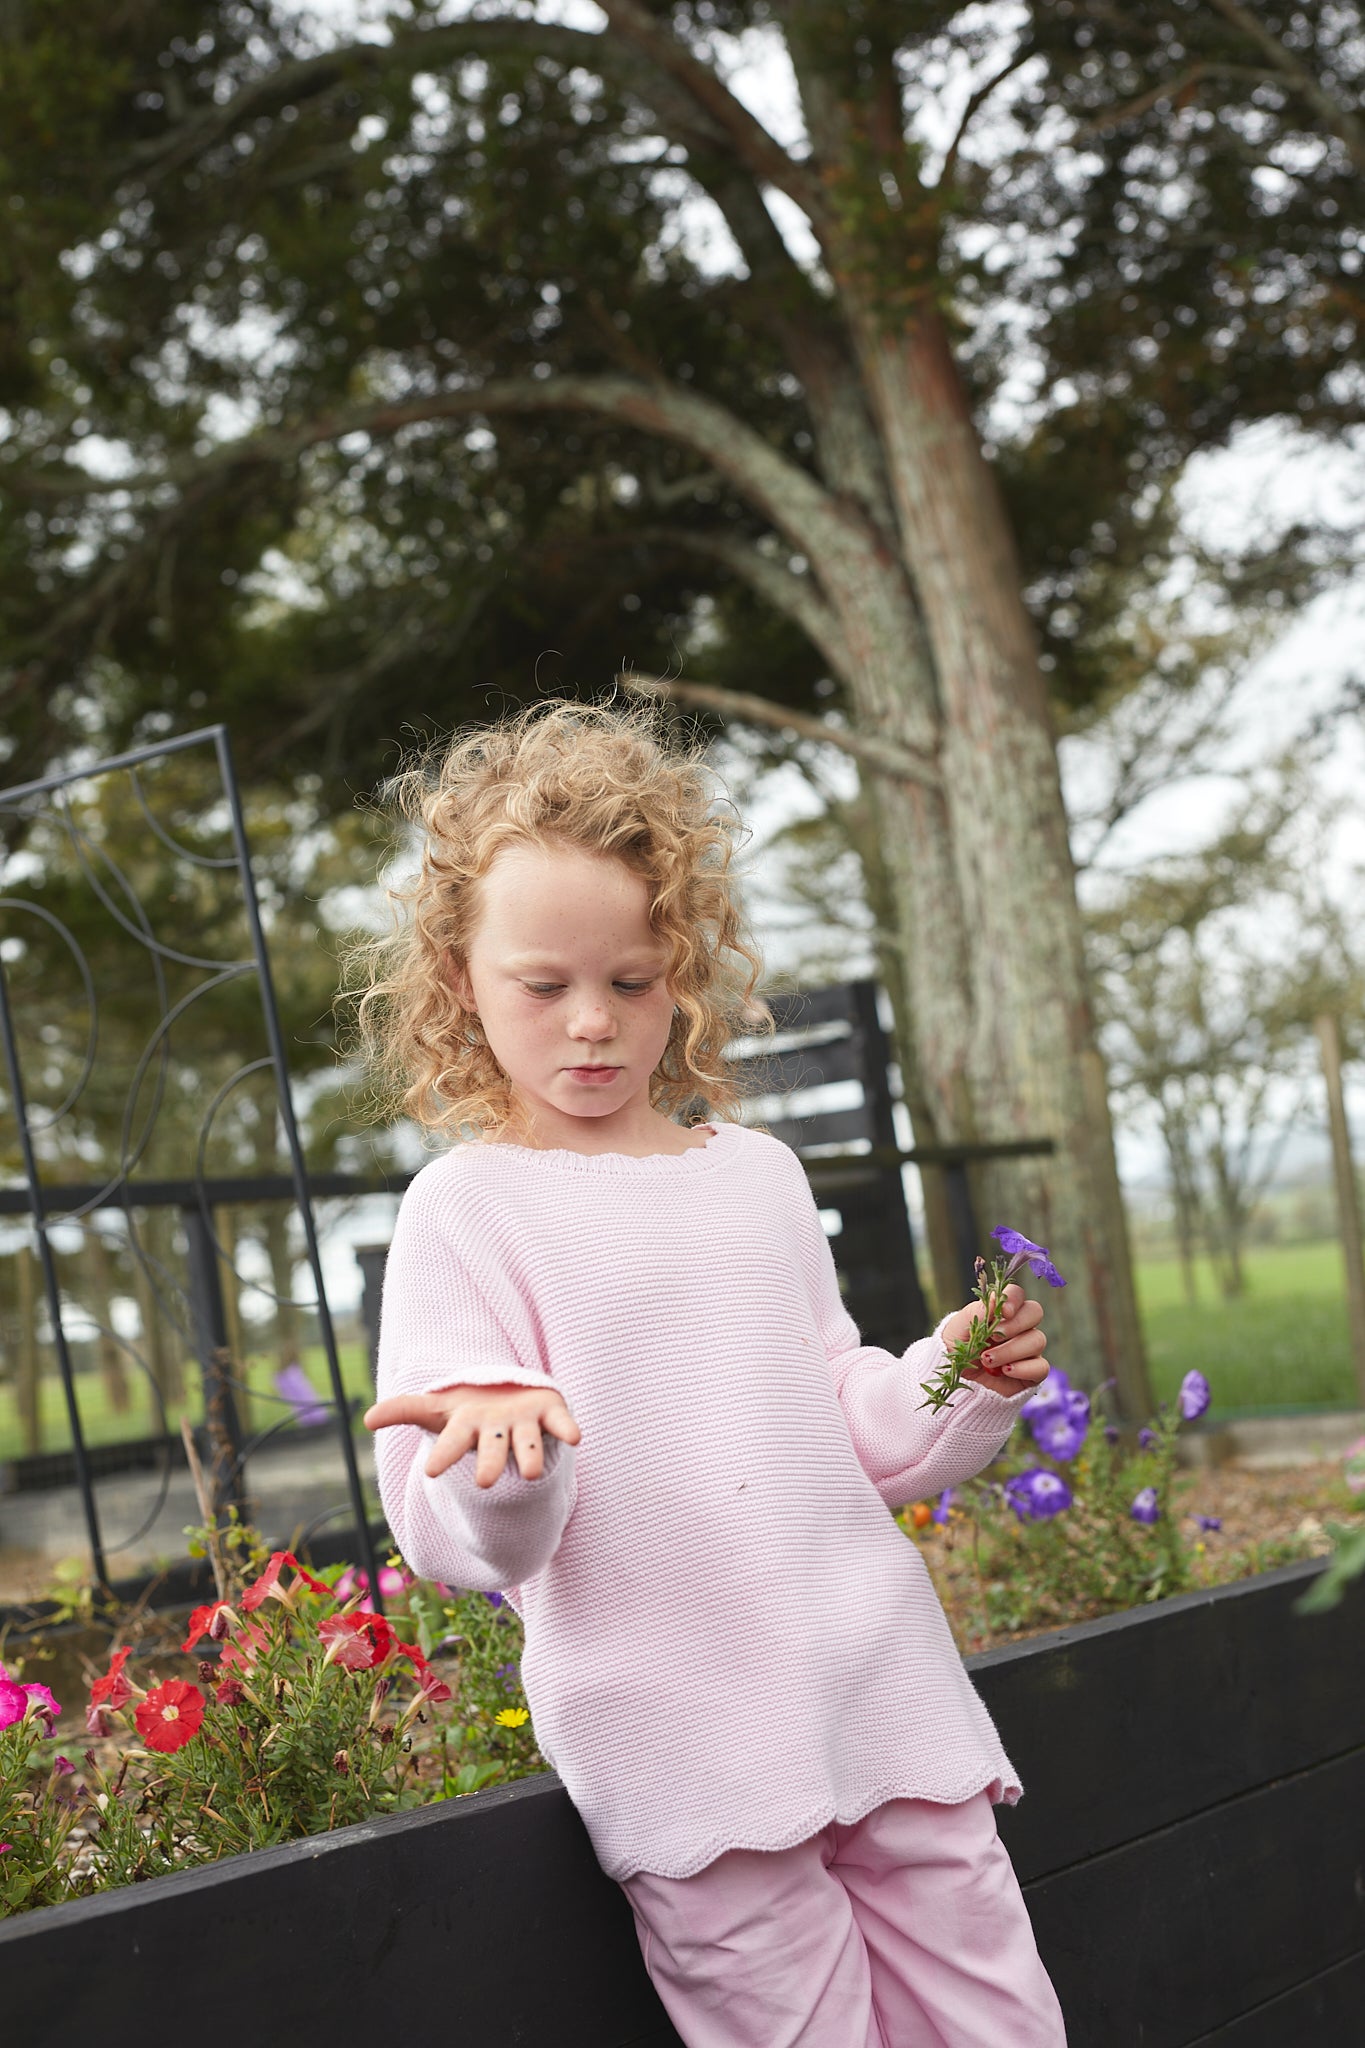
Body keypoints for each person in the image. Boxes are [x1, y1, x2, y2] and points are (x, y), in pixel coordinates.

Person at [358, 700, 1067, 2047]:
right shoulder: (466, 1209)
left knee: (997, 2021)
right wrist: (511, 1461)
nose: (591, 1025)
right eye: (542, 984)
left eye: (630, 980)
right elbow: (451, 1539)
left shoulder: (756, 1176)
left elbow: (843, 1414)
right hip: (680, 1739)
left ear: (680, 966)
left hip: (877, 1684)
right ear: (457, 979)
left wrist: (956, 1379)